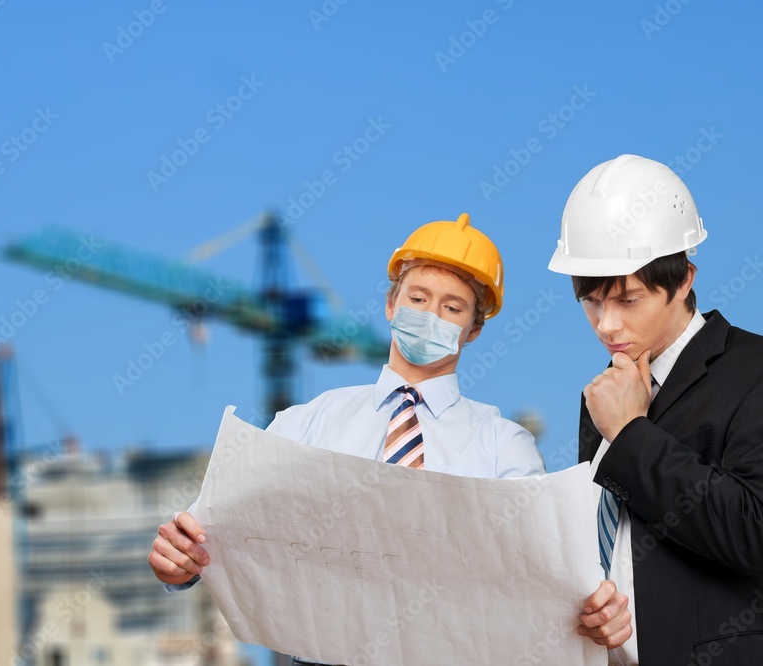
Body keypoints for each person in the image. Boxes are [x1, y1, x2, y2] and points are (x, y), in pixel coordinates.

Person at [150, 213, 600, 663]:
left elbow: (541, 570)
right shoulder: (312, 421)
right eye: (418, 298)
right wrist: (179, 560)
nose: (430, 316)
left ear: (474, 330)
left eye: (452, 308)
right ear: (391, 304)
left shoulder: (505, 447)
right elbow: (213, 526)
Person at [548, 153, 763, 665]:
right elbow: (609, 539)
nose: (606, 326)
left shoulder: (753, 370)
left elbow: (754, 530)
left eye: (627, 301)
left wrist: (629, 433)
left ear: (685, 279)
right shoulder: (600, 394)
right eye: (592, 302)